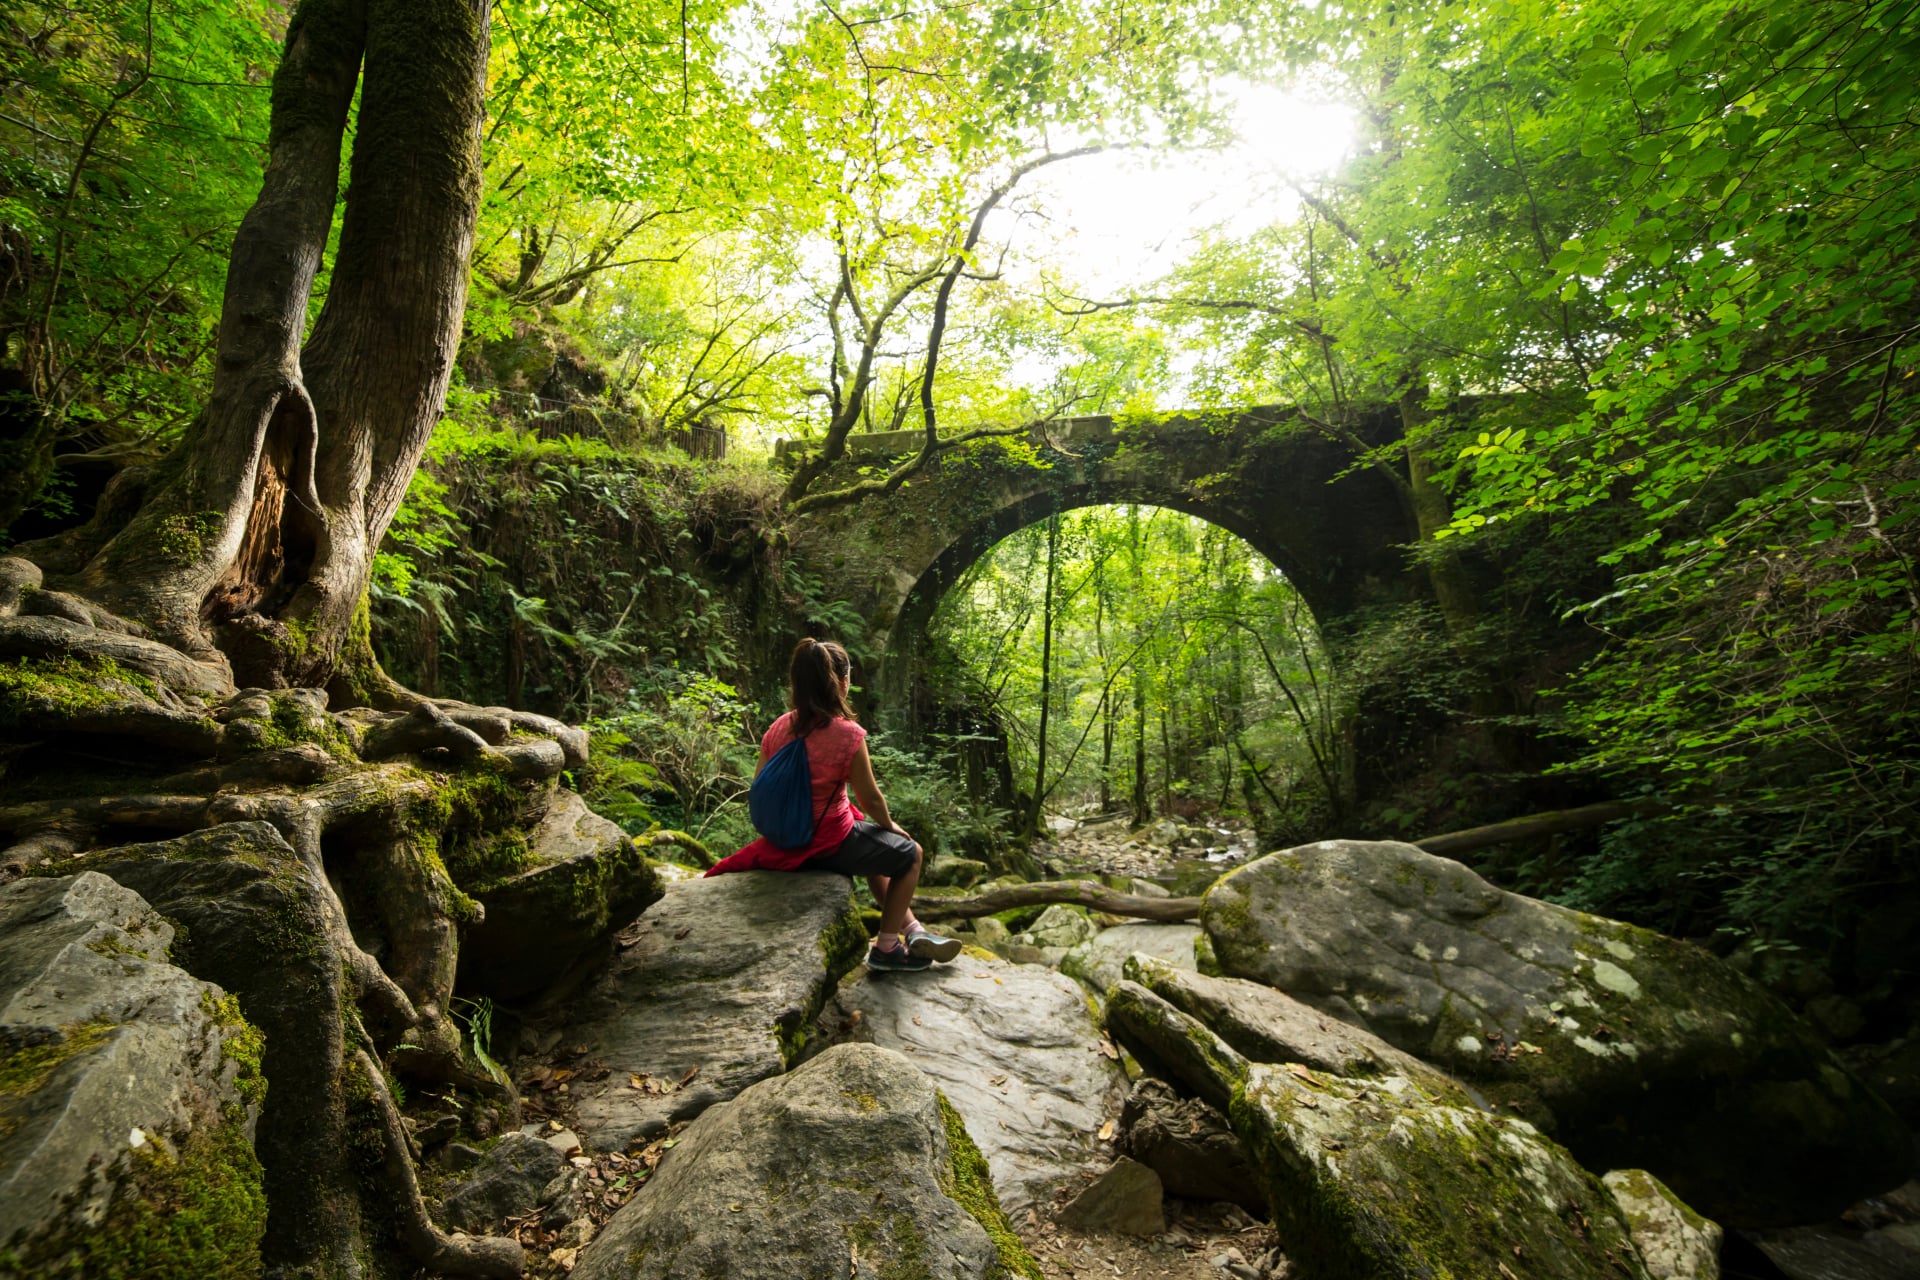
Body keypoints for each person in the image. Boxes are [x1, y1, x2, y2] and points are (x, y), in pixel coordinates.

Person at [705, 637, 962, 972]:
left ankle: (912, 929)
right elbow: (869, 798)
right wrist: (892, 827)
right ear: (841, 683)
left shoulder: (779, 727)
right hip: (828, 842)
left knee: (874, 844)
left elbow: (760, 787)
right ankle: (887, 949)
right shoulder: (847, 734)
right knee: (910, 854)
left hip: (785, 838)